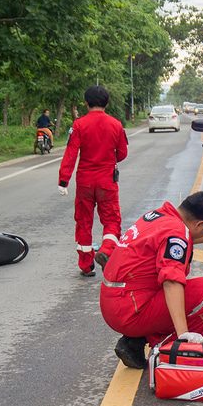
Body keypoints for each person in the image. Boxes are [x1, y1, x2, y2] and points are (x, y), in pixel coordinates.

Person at [100, 191, 203, 369]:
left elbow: (190, 234)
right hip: (129, 310)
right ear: (200, 224)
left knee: (177, 289)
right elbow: (171, 281)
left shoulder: (160, 216)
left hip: (116, 301)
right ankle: (172, 349)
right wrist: (184, 333)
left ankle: (137, 340)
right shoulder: (177, 233)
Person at [58, 85, 128, 276]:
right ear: (107, 103)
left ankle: (86, 265)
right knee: (112, 221)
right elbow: (122, 153)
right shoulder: (116, 124)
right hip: (107, 182)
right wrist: (108, 159)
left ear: (86, 102)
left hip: (85, 183)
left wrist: (63, 180)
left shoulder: (79, 125)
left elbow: (71, 154)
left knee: (83, 221)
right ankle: (106, 250)